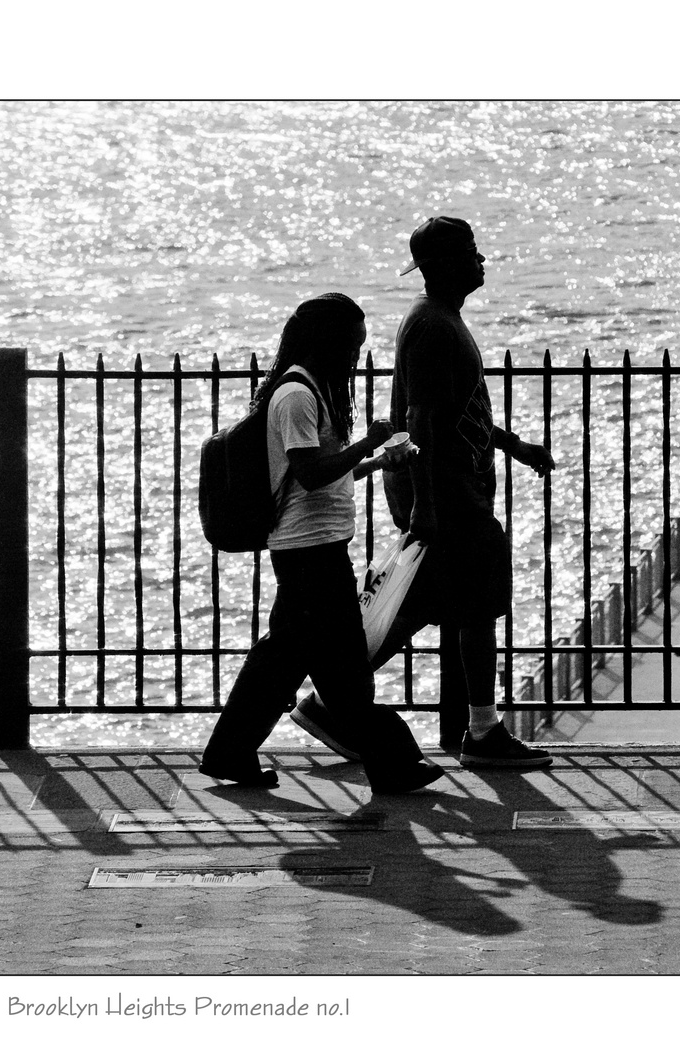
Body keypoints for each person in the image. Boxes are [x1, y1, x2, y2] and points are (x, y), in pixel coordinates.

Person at [291, 217, 555, 769]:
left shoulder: (440, 320)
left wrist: (514, 446)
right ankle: (481, 732)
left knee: (416, 605)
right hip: (448, 495)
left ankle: (328, 703)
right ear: (444, 265)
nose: (482, 260)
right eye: (471, 252)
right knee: (475, 603)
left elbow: (459, 412)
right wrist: (428, 507)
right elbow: (425, 423)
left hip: (446, 491)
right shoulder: (434, 327)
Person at [200, 293, 442, 794]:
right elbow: (308, 475)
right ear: (328, 341)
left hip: (317, 547)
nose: (356, 355)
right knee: (345, 669)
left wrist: (376, 463)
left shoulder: (313, 392)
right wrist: (369, 443)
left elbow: (325, 470)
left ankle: (229, 753)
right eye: (352, 345)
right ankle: (393, 761)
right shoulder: (296, 396)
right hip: (308, 552)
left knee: (282, 660)